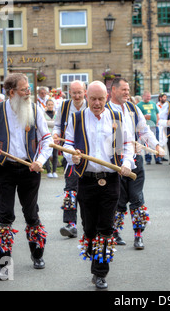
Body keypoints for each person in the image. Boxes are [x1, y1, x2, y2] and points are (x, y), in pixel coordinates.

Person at [0, 73, 53, 280]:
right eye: (24, 89)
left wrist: (40, 161)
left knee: (31, 214)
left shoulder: (35, 109)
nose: (29, 93)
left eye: (29, 89)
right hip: (5, 169)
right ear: (12, 92)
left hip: (30, 169)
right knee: (5, 216)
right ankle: (4, 265)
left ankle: (37, 255)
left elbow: (47, 140)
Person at [62, 80, 135, 290]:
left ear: (106, 98)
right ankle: (96, 260)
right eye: (92, 98)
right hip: (86, 179)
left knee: (106, 227)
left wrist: (127, 164)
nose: (96, 103)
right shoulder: (76, 119)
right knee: (89, 227)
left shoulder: (116, 117)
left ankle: (100, 272)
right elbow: (67, 144)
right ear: (86, 97)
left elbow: (126, 145)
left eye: (100, 99)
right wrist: (72, 157)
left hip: (111, 179)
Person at [107, 78, 163, 249]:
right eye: (123, 89)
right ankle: (115, 232)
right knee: (119, 199)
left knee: (137, 197)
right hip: (115, 161)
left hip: (135, 159)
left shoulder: (133, 108)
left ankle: (138, 235)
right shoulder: (105, 110)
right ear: (113, 90)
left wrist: (157, 146)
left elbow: (144, 130)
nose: (127, 92)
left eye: (128, 89)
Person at [52, 80, 87, 238]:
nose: (77, 96)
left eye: (80, 92)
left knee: (88, 190)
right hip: (70, 154)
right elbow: (57, 125)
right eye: (74, 93)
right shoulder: (64, 106)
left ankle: (88, 223)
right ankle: (70, 224)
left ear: (85, 92)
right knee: (70, 190)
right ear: (69, 93)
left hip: (89, 156)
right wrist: (56, 134)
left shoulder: (92, 105)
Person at [137, 90, 162, 164]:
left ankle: (157, 159)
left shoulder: (153, 104)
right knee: (147, 144)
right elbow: (138, 117)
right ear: (143, 96)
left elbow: (157, 113)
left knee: (156, 142)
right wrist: (145, 117)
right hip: (145, 127)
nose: (148, 98)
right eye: (147, 96)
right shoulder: (139, 105)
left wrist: (157, 122)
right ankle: (148, 159)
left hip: (154, 126)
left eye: (149, 96)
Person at [44, 99, 58, 178]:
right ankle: (48, 171)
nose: (50, 106)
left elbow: (57, 124)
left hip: (55, 136)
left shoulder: (56, 114)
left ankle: (54, 171)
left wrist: (48, 123)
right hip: (47, 136)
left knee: (55, 154)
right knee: (46, 153)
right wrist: (52, 123)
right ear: (46, 105)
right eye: (49, 104)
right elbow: (44, 123)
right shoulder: (43, 114)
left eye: (51, 104)